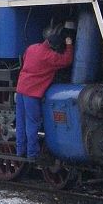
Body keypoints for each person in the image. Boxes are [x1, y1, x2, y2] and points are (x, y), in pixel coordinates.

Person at [15, 30, 74, 160]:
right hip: (32, 93)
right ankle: (32, 154)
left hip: (21, 89)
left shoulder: (32, 48)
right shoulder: (50, 56)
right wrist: (69, 45)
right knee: (32, 123)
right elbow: (67, 60)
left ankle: (20, 151)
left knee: (20, 122)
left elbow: (25, 58)